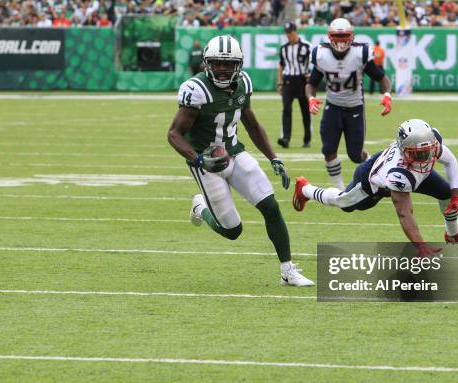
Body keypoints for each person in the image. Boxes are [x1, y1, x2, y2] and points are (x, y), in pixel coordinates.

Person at [168, 35, 314, 287]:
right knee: (233, 231)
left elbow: (251, 124)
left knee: (270, 205)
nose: (222, 69)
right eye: (217, 63)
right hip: (206, 164)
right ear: (206, 63)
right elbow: (174, 134)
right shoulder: (196, 90)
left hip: (235, 153)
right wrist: (200, 160)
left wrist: (274, 157)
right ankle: (200, 207)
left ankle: (287, 271)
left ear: (239, 65)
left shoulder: (244, 83)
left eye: (228, 64)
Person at [292, 119, 458, 256]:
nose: (424, 158)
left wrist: (457, 195)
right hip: (374, 180)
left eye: (427, 152)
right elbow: (404, 212)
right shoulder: (398, 173)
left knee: (446, 193)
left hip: (413, 174)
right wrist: (420, 245)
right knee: (344, 202)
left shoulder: (431, 142)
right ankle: (305, 189)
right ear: (404, 150)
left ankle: (453, 234)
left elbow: (450, 161)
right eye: (417, 154)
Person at [306, 18, 392, 190]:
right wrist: (311, 98)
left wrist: (387, 94)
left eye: (344, 35)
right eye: (337, 36)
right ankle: (339, 190)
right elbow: (312, 83)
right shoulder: (321, 55)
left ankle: (373, 163)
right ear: (329, 37)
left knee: (355, 155)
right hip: (333, 106)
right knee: (328, 150)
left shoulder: (360, 53)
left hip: (355, 107)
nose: (340, 40)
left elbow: (381, 77)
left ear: (351, 36)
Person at [277, 22, 312, 149]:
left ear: (295, 31)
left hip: (302, 80)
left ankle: (307, 139)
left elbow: (314, 63)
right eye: (287, 33)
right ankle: (285, 138)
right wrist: (280, 82)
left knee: (305, 111)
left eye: (290, 32)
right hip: (288, 81)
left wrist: (311, 80)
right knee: (286, 109)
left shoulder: (307, 46)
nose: (288, 35)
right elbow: (281, 65)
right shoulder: (284, 48)